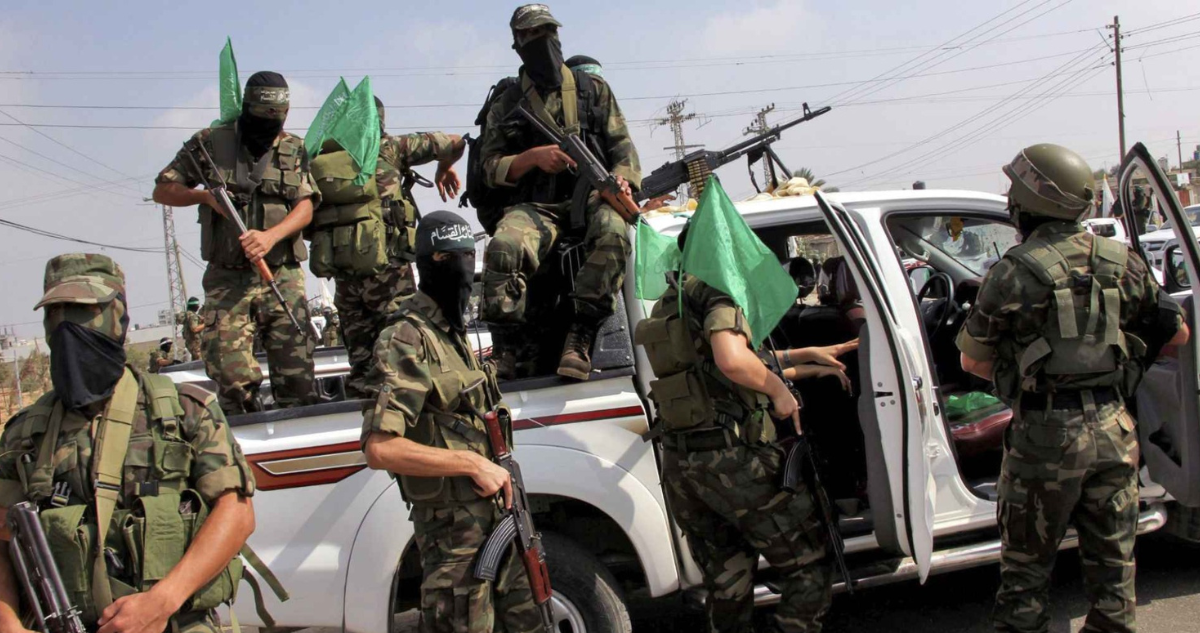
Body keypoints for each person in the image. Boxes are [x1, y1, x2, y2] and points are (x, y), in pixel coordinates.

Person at [956, 144, 1190, 633]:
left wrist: (1021, 374)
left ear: (1027, 202)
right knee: (1114, 570)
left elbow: (971, 359)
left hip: (1043, 437)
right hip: (1113, 430)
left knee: (1025, 575)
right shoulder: (1121, 259)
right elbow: (1178, 332)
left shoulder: (1013, 270)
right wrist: (1120, 361)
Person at [0, 253, 258, 633]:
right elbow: (2, 539)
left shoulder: (182, 411)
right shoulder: (25, 433)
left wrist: (162, 601)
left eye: (84, 310)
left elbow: (236, 513)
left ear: (119, 317)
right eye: (58, 311)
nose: (69, 327)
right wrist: (7, 621)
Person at [634, 227, 832, 633]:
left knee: (728, 578)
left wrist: (801, 357)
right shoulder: (716, 292)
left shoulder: (671, 301)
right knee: (808, 564)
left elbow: (708, 368)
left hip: (683, 465)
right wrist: (780, 391)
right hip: (736, 463)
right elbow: (731, 360)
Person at [360, 212, 541, 633]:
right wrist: (471, 464)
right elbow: (380, 448)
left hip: (502, 519)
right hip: (454, 542)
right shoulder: (407, 337)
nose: (462, 269)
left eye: (467, 257)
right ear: (429, 262)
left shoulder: (453, 334)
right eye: (450, 259)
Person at [479, 4, 642, 381]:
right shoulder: (506, 102)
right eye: (534, 36)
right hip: (536, 205)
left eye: (548, 33)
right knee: (504, 245)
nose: (544, 42)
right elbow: (488, 168)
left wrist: (619, 180)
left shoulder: (593, 89)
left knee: (615, 234)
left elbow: (624, 150)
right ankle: (505, 348)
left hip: (591, 196)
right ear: (518, 42)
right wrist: (530, 158)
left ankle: (581, 335)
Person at [153, 71, 319, 414]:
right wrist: (204, 198)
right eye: (261, 117)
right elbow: (162, 189)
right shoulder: (210, 143)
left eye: (277, 118)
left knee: (298, 375)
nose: (269, 126)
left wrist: (271, 236)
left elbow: (306, 205)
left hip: (281, 274)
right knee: (229, 375)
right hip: (228, 276)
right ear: (246, 108)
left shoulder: (293, 148)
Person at [331, 96, 466, 398]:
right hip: (388, 271)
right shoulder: (391, 148)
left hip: (344, 275)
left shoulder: (325, 159)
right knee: (400, 352)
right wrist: (443, 169)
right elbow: (457, 142)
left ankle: (363, 424)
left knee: (361, 363)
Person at [176, 296, 205, 361]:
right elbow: (194, 329)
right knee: (200, 362)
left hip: (191, 343)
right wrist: (206, 324)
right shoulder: (193, 316)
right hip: (196, 343)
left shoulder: (187, 314)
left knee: (196, 361)